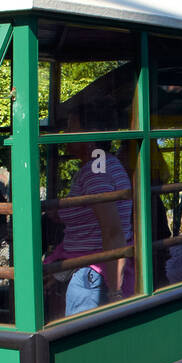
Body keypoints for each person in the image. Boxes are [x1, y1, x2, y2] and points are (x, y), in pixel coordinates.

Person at [45, 108, 134, 316]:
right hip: (93, 271)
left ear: (90, 134)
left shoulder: (96, 171)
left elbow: (112, 230)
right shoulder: (103, 164)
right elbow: (92, 216)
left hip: (93, 275)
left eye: (71, 127)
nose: (66, 133)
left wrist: (114, 292)